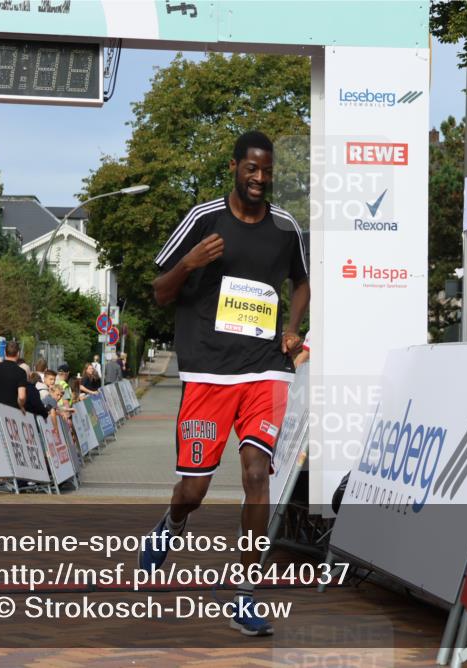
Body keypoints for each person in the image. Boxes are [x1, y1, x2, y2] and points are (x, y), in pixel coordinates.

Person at [142, 130, 309, 637]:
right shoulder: (203, 219)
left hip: (264, 368)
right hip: (208, 373)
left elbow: (301, 281)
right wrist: (190, 262)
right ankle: (171, 524)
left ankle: (245, 593)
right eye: (250, 169)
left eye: (267, 171)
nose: (259, 179)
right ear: (235, 167)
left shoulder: (285, 227)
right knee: (193, 491)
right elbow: (159, 292)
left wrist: (293, 325)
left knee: (258, 474)